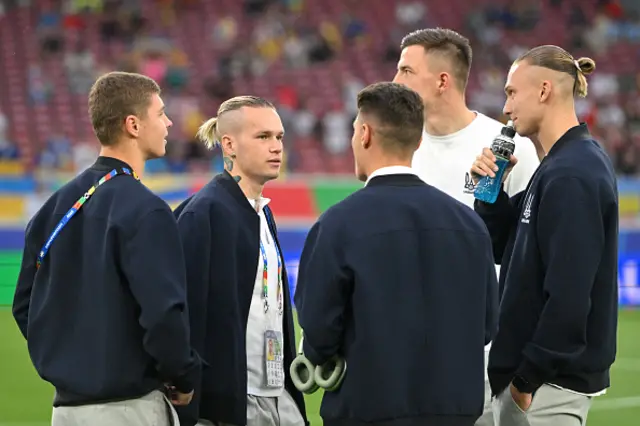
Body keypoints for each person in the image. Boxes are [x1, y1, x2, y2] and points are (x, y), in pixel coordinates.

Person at [294, 82, 499, 426]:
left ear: (364, 133)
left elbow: (318, 326)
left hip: (367, 408)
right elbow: (487, 326)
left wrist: (319, 357)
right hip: (455, 411)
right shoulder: (469, 224)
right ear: (418, 141)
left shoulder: (339, 223)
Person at [12, 71, 201, 426]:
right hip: (130, 408)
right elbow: (164, 314)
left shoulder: (52, 208)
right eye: (160, 113)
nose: (169, 122)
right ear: (133, 124)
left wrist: (71, 360)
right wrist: (183, 376)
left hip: (65, 411)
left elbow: (24, 305)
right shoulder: (147, 209)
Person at [392, 28, 541, 426]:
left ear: (442, 80)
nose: (395, 81)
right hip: (408, 354)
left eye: (406, 70)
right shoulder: (399, 151)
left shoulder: (509, 148)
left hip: (486, 360)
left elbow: (531, 251)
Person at [470, 45, 619, 426]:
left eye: (511, 92)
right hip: (532, 384)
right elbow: (505, 247)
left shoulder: (573, 172)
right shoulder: (558, 165)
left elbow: (570, 294)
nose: (505, 107)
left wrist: (525, 381)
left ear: (544, 91)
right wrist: (491, 194)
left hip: (544, 389)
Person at [173, 96, 308, 426]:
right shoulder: (201, 215)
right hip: (229, 406)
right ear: (229, 145)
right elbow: (182, 316)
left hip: (280, 396)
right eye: (263, 137)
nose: (276, 147)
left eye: (279, 137)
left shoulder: (263, 212)